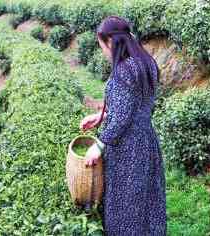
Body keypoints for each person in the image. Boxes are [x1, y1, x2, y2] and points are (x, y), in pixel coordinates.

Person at [80, 16, 166, 235]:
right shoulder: (146, 62)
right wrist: (101, 115)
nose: (103, 52)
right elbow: (134, 106)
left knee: (126, 206)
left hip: (127, 148)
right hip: (147, 141)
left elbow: (121, 119)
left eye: (101, 46)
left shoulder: (122, 71)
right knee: (147, 201)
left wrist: (98, 145)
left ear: (110, 41)